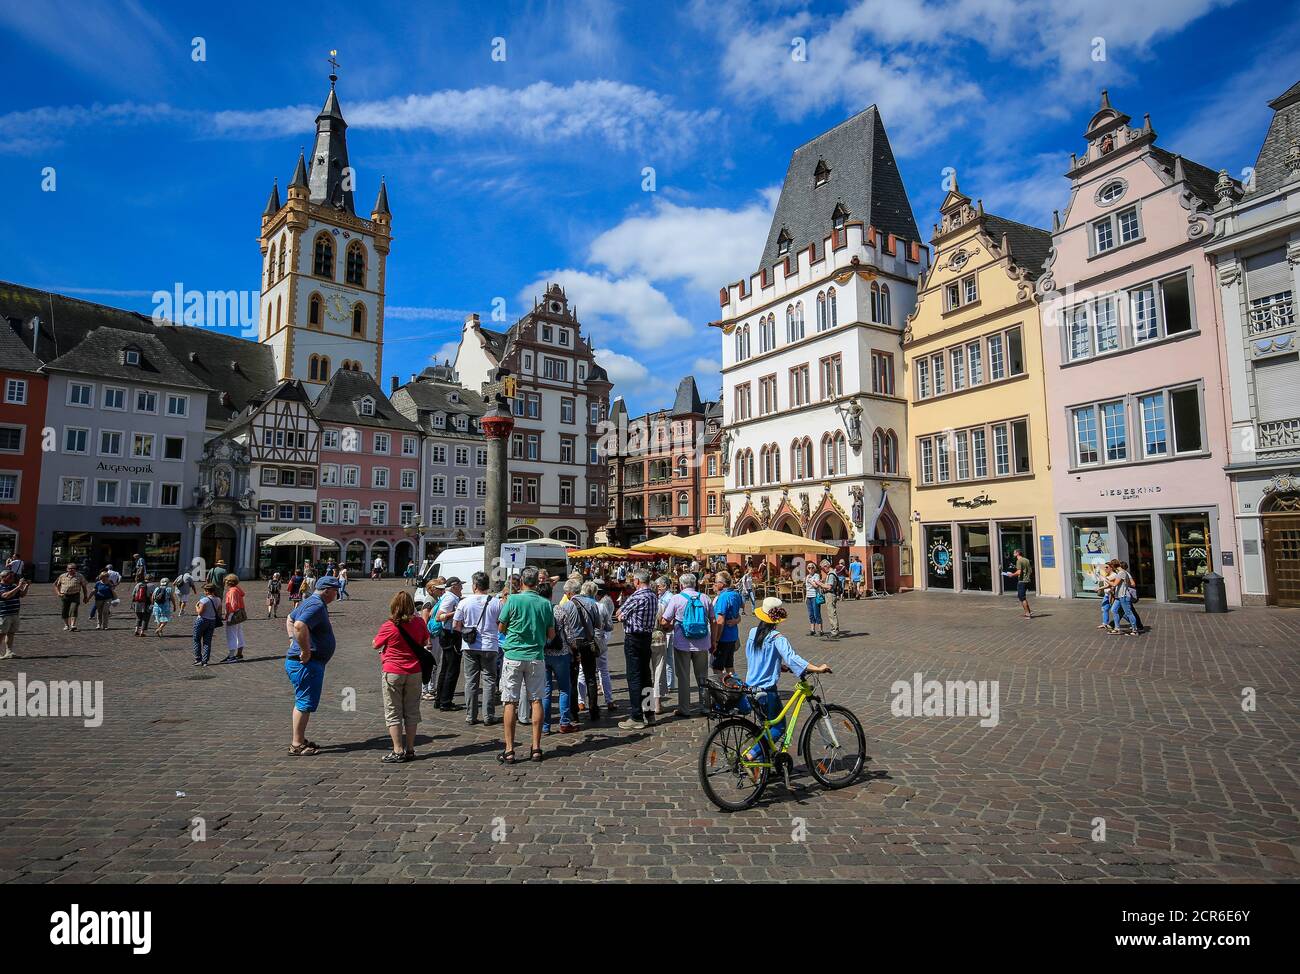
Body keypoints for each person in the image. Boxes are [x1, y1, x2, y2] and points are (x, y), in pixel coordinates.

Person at [739, 598, 832, 755]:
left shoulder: (753, 632)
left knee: (766, 728)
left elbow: (754, 656)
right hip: (767, 690)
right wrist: (817, 668)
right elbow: (792, 658)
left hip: (751, 687)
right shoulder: (777, 638)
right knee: (779, 727)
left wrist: (776, 665)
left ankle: (762, 766)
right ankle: (752, 754)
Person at [496, 566, 553, 764]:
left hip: (513, 654)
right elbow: (551, 634)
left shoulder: (512, 599)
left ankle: (509, 749)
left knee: (510, 701)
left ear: (521, 582)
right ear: (537, 583)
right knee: (536, 700)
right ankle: (536, 747)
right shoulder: (545, 603)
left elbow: (501, 627)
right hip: (536, 655)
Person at [285, 577, 342, 755]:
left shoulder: (310, 601)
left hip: (305, 663)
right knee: (304, 702)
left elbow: (290, 618)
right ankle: (297, 744)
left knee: (303, 701)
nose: (336, 593)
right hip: (306, 664)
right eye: (335, 590)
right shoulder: (316, 605)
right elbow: (300, 625)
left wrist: (291, 641)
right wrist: (305, 650)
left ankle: (300, 739)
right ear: (326, 590)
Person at [373, 589, 427, 763]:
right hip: (414, 671)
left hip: (393, 671)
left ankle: (397, 750)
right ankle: (410, 749)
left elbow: (376, 644)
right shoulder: (419, 623)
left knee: (393, 712)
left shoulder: (389, 626)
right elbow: (425, 641)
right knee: (411, 711)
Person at [659, 571, 715, 718]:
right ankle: (705, 706)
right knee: (703, 676)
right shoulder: (705, 597)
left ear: (681, 584)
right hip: (702, 643)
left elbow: (665, 620)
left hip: (682, 643)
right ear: (695, 584)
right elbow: (713, 620)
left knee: (683, 677)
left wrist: (670, 625)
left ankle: (685, 708)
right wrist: (713, 640)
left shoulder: (677, 598)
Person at [454, 571, 499, 726]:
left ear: (475, 586)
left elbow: (456, 625)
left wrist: (467, 632)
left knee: (471, 681)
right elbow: (501, 623)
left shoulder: (464, 602)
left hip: (469, 646)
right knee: (489, 681)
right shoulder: (495, 602)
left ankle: (471, 716)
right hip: (490, 646)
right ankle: (488, 715)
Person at [616, 569, 658, 730]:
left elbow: (620, 614)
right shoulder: (653, 596)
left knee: (634, 677)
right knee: (646, 676)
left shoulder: (637, 596)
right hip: (647, 637)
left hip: (634, 638)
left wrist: (624, 616)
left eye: (634, 580)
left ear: (638, 582)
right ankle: (650, 713)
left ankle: (636, 716)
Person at [556, 579, 602, 723]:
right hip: (588, 643)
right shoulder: (592, 604)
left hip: (573, 645)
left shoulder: (566, 606)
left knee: (573, 679)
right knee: (591, 678)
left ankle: (574, 713)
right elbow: (598, 624)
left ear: (570, 593)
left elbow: (562, 628)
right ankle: (594, 710)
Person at [541, 580, 576, 734]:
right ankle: (564, 722)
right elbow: (569, 636)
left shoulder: (538, 611)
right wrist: (574, 649)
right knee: (564, 689)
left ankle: (545, 726)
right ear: (551, 595)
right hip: (561, 653)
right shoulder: (559, 610)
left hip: (543, 653)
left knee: (546, 691)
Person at [577, 581, 616, 717]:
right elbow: (609, 626)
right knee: (603, 671)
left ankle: (580, 701)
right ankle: (609, 700)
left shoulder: (577, 605)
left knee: (582, 672)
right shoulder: (600, 606)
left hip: (583, 642)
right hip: (599, 642)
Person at [433, 577, 464, 711]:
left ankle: (440, 700)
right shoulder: (450, 598)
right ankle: (445, 702)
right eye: (460, 586)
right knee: (452, 669)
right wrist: (456, 612)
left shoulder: (450, 597)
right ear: (454, 586)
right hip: (450, 635)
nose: (462, 588)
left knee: (446, 668)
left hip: (448, 635)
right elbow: (439, 617)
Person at [710, 571, 743, 680]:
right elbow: (740, 610)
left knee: (717, 668)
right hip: (732, 635)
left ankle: (724, 690)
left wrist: (716, 641)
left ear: (722, 584)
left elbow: (720, 620)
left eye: (715, 582)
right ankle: (737, 686)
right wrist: (737, 620)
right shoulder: (735, 594)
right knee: (729, 666)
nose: (713, 584)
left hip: (723, 637)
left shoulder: (724, 597)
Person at [420, 578, 446, 701]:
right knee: (429, 663)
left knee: (435, 663)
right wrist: (428, 639)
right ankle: (424, 689)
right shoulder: (429, 601)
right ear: (432, 589)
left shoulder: (436, 599)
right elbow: (424, 621)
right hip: (431, 636)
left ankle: (431, 687)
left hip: (436, 635)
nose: (442, 590)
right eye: (439, 588)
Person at [0, 569, 30, 659]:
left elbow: (22, 595)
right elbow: (6, 596)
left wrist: (26, 586)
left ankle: (9, 652)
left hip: (14, 613)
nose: (13, 578)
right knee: (1, 634)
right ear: (3, 577)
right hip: (4, 614)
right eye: (10, 576)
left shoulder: (12, 585)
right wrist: (18, 586)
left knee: (11, 633)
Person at [1105, 560, 1140, 637]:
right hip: (1119, 596)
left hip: (1123, 595)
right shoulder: (1120, 573)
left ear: (1114, 566)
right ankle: (1117, 628)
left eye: (1111, 566)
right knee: (1114, 610)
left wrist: (1106, 580)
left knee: (1128, 613)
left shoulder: (1122, 573)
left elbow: (1114, 584)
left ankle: (1135, 630)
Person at [192, 582, 222, 666]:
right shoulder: (218, 599)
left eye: (205, 591)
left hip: (201, 621)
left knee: (196, 639)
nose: (204, 592)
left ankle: (198, 659)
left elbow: (200, 612)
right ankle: (205, 660)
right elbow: (219, 612)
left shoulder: (204, 600)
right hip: (212, 621)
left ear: (207, 591)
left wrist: (196, 606)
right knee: (207, 642)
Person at [220, 575, 248, 662]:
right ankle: (239, 653)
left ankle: (231, 656)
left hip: (233, 615)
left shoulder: (232, 591)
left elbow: (233, 605)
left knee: (231, 634)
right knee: (239, 633)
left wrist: (228, 617)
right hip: (240, 614)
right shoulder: (237, 589)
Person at [1005, 549, 1034, 619]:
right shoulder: (1026, 560)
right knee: (1023, 597)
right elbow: (1030, 571)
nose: (1013, 553)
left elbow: (1019, 572)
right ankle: (1029, 612)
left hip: (1022, 581)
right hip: (1027, 580)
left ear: (1017, 553)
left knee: (1022, 597)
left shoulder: (1019, 561)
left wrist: (1012, 574)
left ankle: (1028, 614)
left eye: (1014, 552)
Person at [820, 560, 843, 637]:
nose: (823, 570)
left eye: (823, 568)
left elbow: (829, 587)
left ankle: (834, 631)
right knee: (831, 613)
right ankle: (834, 630)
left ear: (826, 566)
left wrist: (819, 584)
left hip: (830, 595)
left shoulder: (831, 574)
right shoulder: (831, 574)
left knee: (831, 613)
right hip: (830, 595)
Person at [804, 561, 825, 638]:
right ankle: (812, 630)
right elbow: (807, 588)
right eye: (809, 567)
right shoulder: (807, 576)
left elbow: (816, 586)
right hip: (809, 597)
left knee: (817, 613)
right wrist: (806, 597)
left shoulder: (816, 576)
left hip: (814, 596)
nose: (810, 569)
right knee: (811, 614)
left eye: (812, 567)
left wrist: (810, 581)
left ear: (814, 568)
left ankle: (820, 630)